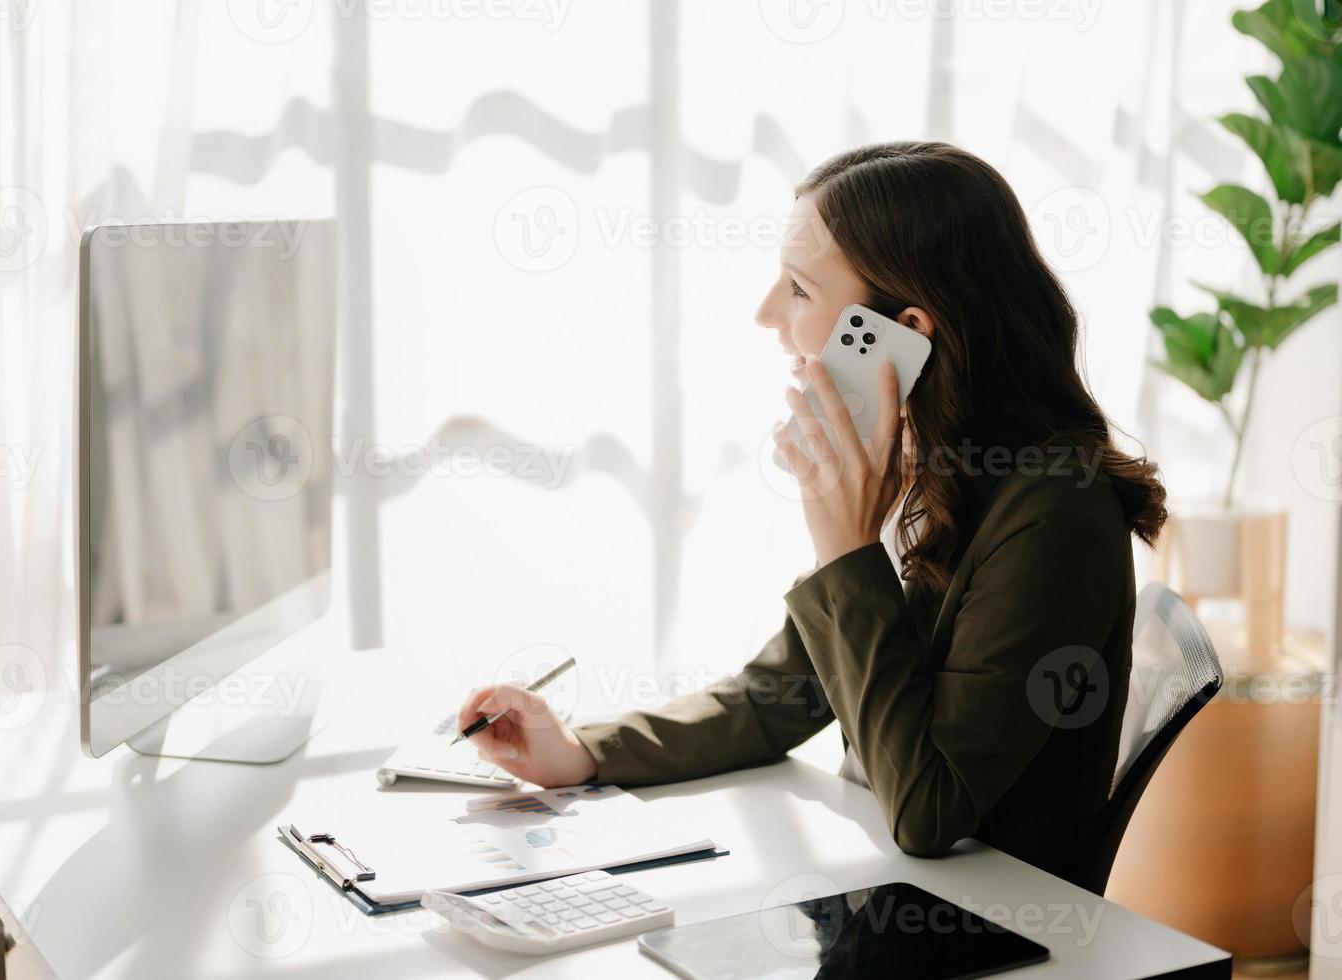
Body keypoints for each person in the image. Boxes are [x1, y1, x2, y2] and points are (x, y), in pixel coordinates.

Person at [455, 141, 1166, 887]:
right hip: (898, 889)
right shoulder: (923, 467)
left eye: (797, 289)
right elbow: (780, 697)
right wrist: (580, 752)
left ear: (906, 332)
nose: (768, 314)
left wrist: (847, 550)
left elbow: (931, 811)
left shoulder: (1052, 512)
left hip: (992, 923)